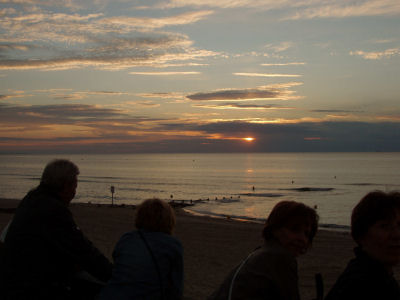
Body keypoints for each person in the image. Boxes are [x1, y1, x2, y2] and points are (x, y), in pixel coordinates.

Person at [0, 159, 113, 300]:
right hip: (31, 288)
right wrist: (115, 274)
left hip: (15, 280)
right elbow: (83, 250)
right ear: (65, 186)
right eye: (74, 187)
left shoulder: (32, 199)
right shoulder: (52, 210)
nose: (74, 193)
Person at [208, 201, 319, 300]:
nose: (302, 239)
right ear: (275, 229)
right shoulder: (280, 257)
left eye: (307, 234)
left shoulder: (261, 252)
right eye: (294, 229)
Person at [99, 198, 184, 300]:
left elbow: (118, 262)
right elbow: (176, 289)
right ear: (169, 220)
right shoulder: (172, 245)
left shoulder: (126, 238)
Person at [325, 190, 400, 300]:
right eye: (384, 226)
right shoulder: (364, 285)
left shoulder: (379, 275)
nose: (397, 235)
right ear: (361, 235)